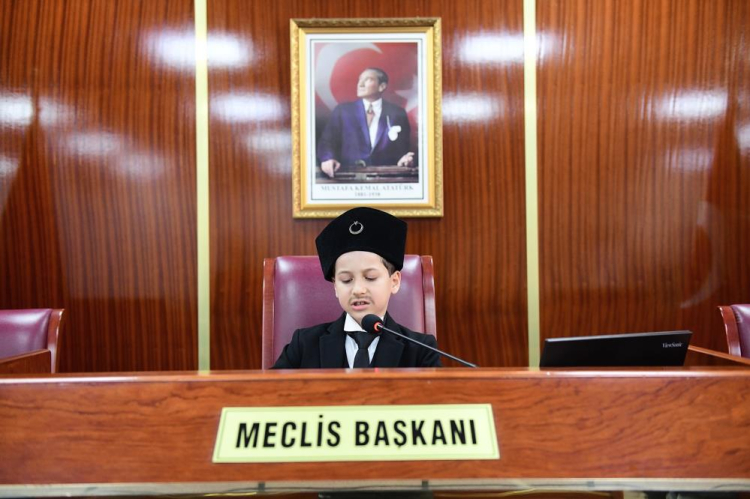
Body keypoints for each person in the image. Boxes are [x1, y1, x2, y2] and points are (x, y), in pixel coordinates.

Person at [272, 207, 441, 369]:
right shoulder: (303, 344)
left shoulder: (421, 350)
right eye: (346, 280)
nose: (358, 290)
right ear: (335, 286)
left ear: (395, 281)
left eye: (370, 277)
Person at [317, 68, 415, 178]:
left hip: (385, 178)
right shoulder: (343, 111)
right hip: (348, 177)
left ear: (382, 86)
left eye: (368, 79)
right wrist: (328, 158)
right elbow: (327, 142)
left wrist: (404, 159)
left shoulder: (397, 113)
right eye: (360, 80)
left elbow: (402, 149)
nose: (360, 84)